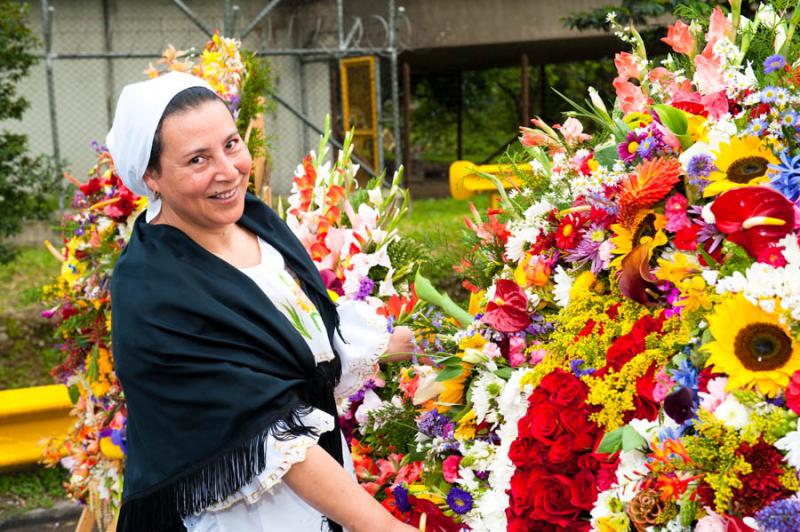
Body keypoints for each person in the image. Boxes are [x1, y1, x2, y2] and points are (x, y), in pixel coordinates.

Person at [107, 71, 419, 532]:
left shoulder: (256, 223)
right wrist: (381, 526)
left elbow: (305, 347)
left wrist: (430, 343)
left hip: (321, 489)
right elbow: (262, 430)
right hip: (237, 513)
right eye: (198, 159)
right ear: (151, 175)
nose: (228, 171)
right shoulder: (153, 289)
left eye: (231, 145)